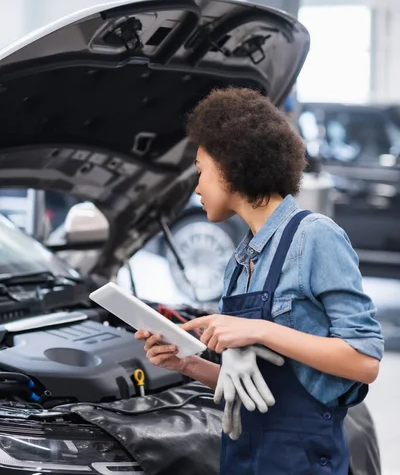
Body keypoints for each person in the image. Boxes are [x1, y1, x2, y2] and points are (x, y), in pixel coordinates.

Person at [135, 88, 383, 475]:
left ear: (232, 164)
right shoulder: (239, 264)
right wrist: (189, 364)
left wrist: (260, 329)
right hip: (245, 459)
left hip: (301, 463)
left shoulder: (314, 236)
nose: (196, 188)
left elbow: (364, 361)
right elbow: (260, 388)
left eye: (200, 171)